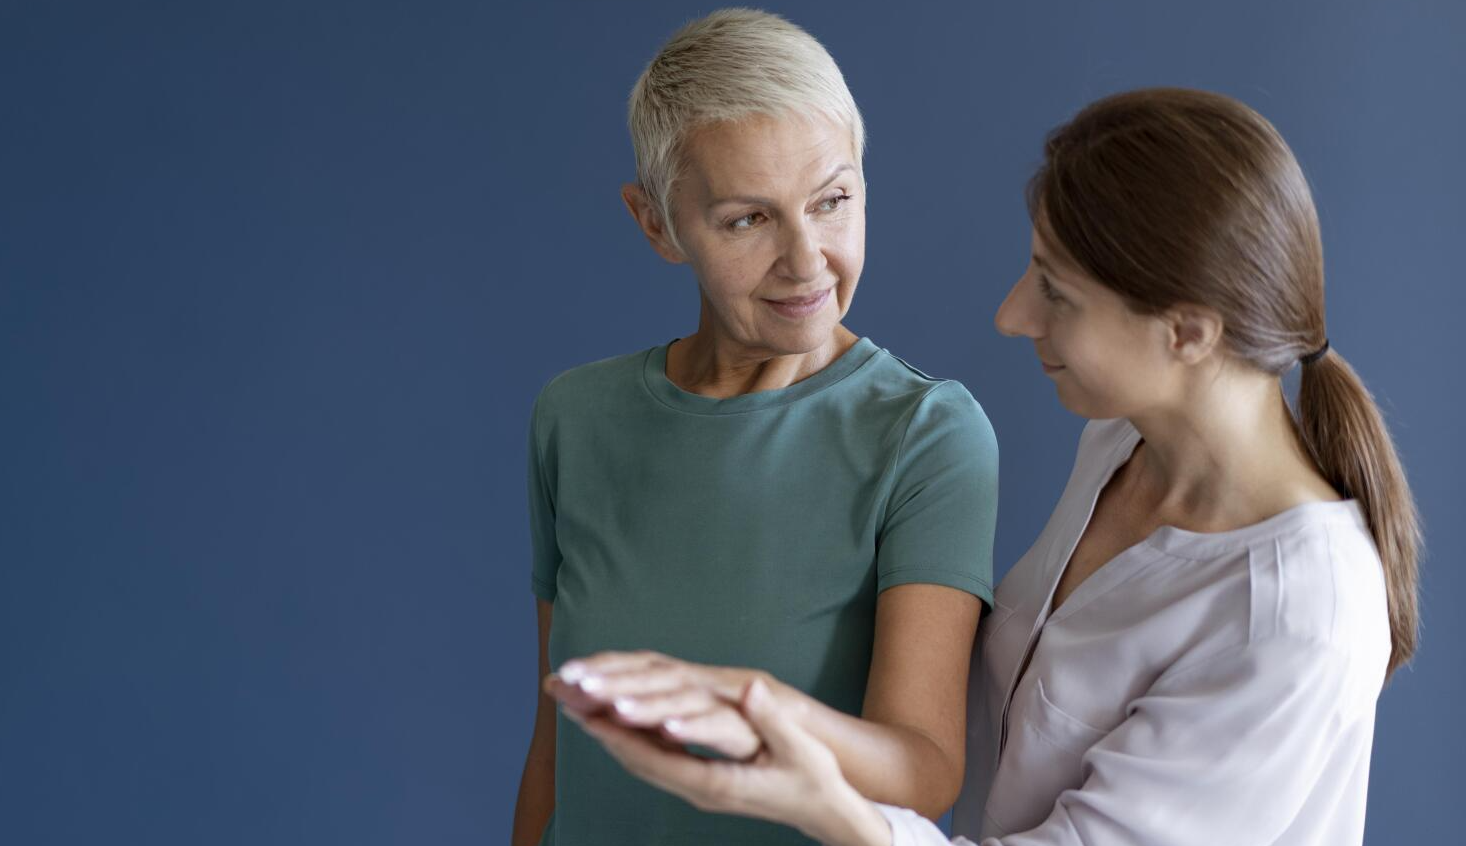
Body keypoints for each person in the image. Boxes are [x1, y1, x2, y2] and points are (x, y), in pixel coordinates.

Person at [554, 87, 1422, 846]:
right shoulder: (1122, 444)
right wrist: (770, 706)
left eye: (1056, 291)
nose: (1011, 315)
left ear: (1188, 333)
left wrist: (822, 795)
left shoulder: (1296, 616)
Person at [509, 9, 1003, 846]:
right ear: (657, 223)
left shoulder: (926, 434)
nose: (806, 260)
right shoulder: (575, 419)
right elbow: (558, 739)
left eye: (832, 201)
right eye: (748, 219)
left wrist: (758, 711)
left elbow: (925, 768)